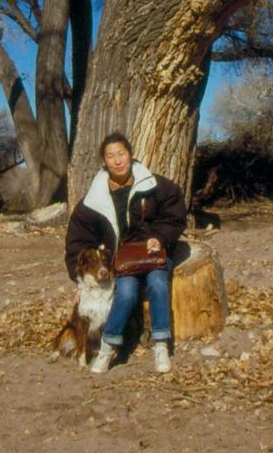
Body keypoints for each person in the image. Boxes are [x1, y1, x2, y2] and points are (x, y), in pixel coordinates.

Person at [64, 132, 187, 373]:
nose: (118, 160)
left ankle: (161, 345)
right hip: (124, 261)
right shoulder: (94, 198)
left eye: (122, 153)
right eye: (111, 156)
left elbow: (175, 212)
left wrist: (159, 237)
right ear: (104, 162)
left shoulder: (153, 184)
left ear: (131, 155)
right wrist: (79, 281)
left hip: (153, 253)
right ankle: (108, 347)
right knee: (127, 291)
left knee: (158, 283)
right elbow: (78, 240)